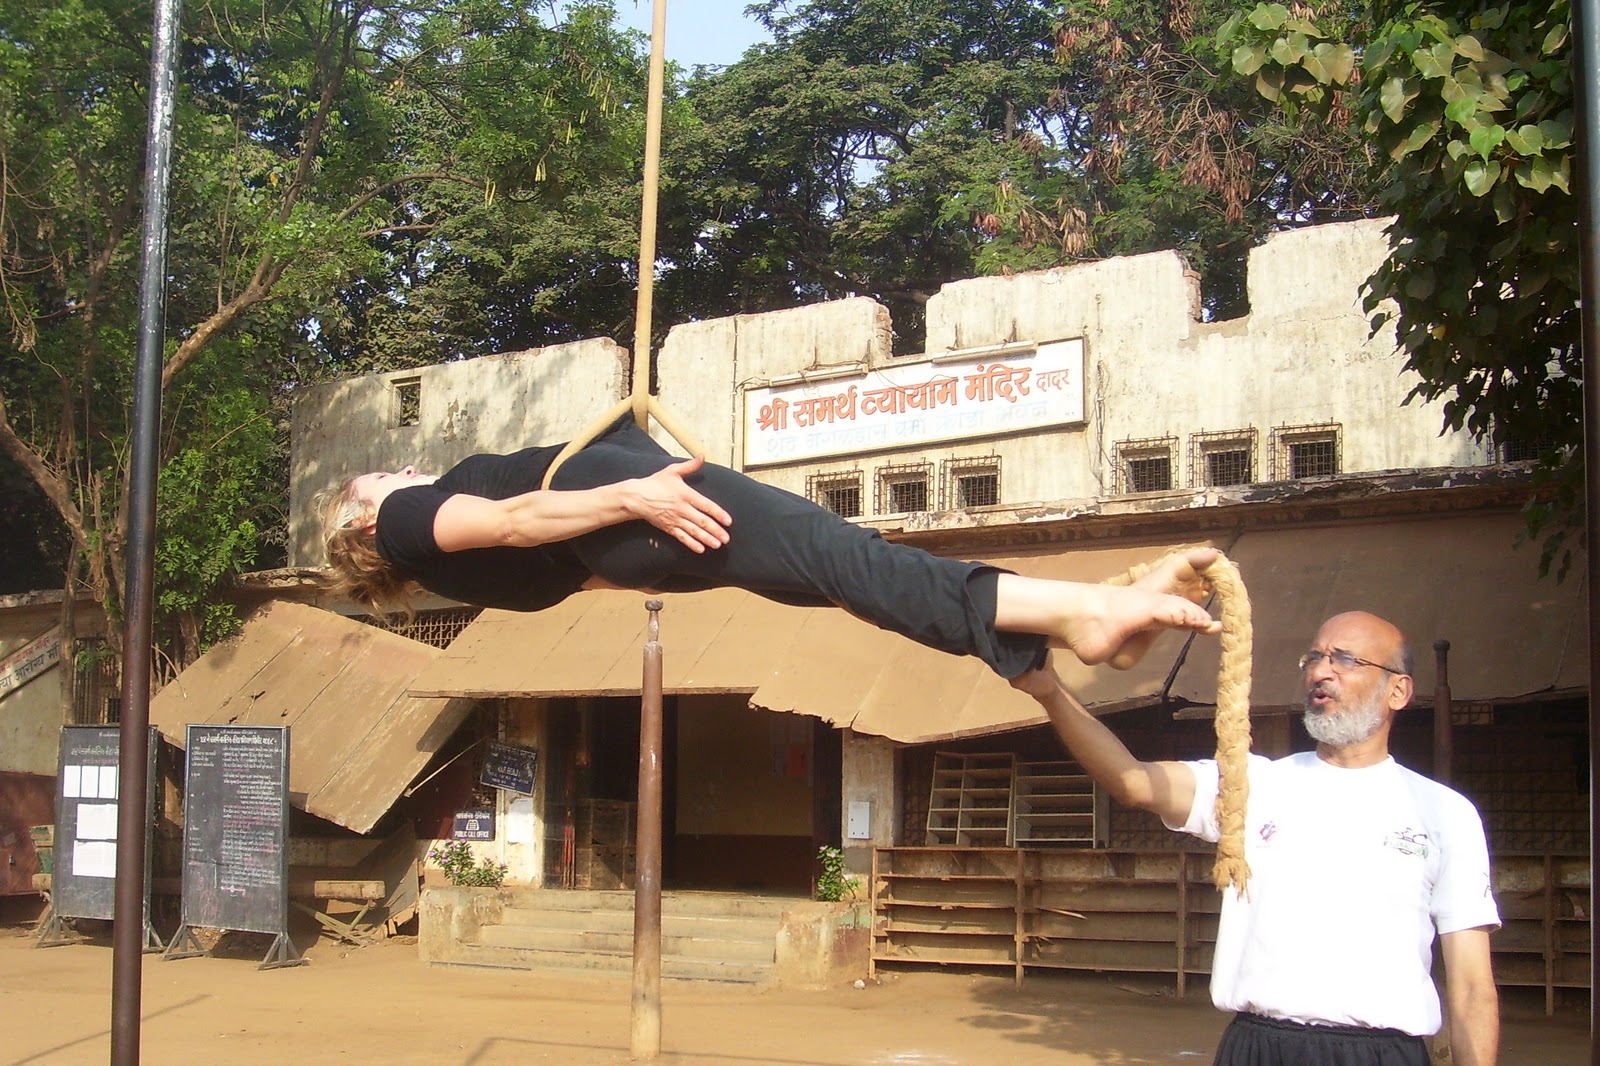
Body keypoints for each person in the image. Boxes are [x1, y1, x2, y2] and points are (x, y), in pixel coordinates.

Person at [317, 417, 1221, 678]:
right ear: (364, 527)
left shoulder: (462, 579)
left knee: (834, 576)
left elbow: (568, 576)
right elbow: (519, 521)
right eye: (365, 484)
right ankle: (1085, 613)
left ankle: (1043, 627)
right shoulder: (411, 523)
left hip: (633, 535)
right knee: (845, 559)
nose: (384, 472)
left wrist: (638, 515)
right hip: (642, 507)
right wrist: (637, 491)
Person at [1010, 608, 1500, 1066]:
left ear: (1399, 691)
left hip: (1381, 1053)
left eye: (1345, 659)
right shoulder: (1253, 785)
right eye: (1315, 657)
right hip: (1258, 1047)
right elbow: (1133, 781)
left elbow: (1472, 988)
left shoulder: (1444, 813)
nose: (1320, 672)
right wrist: (1050, 690)